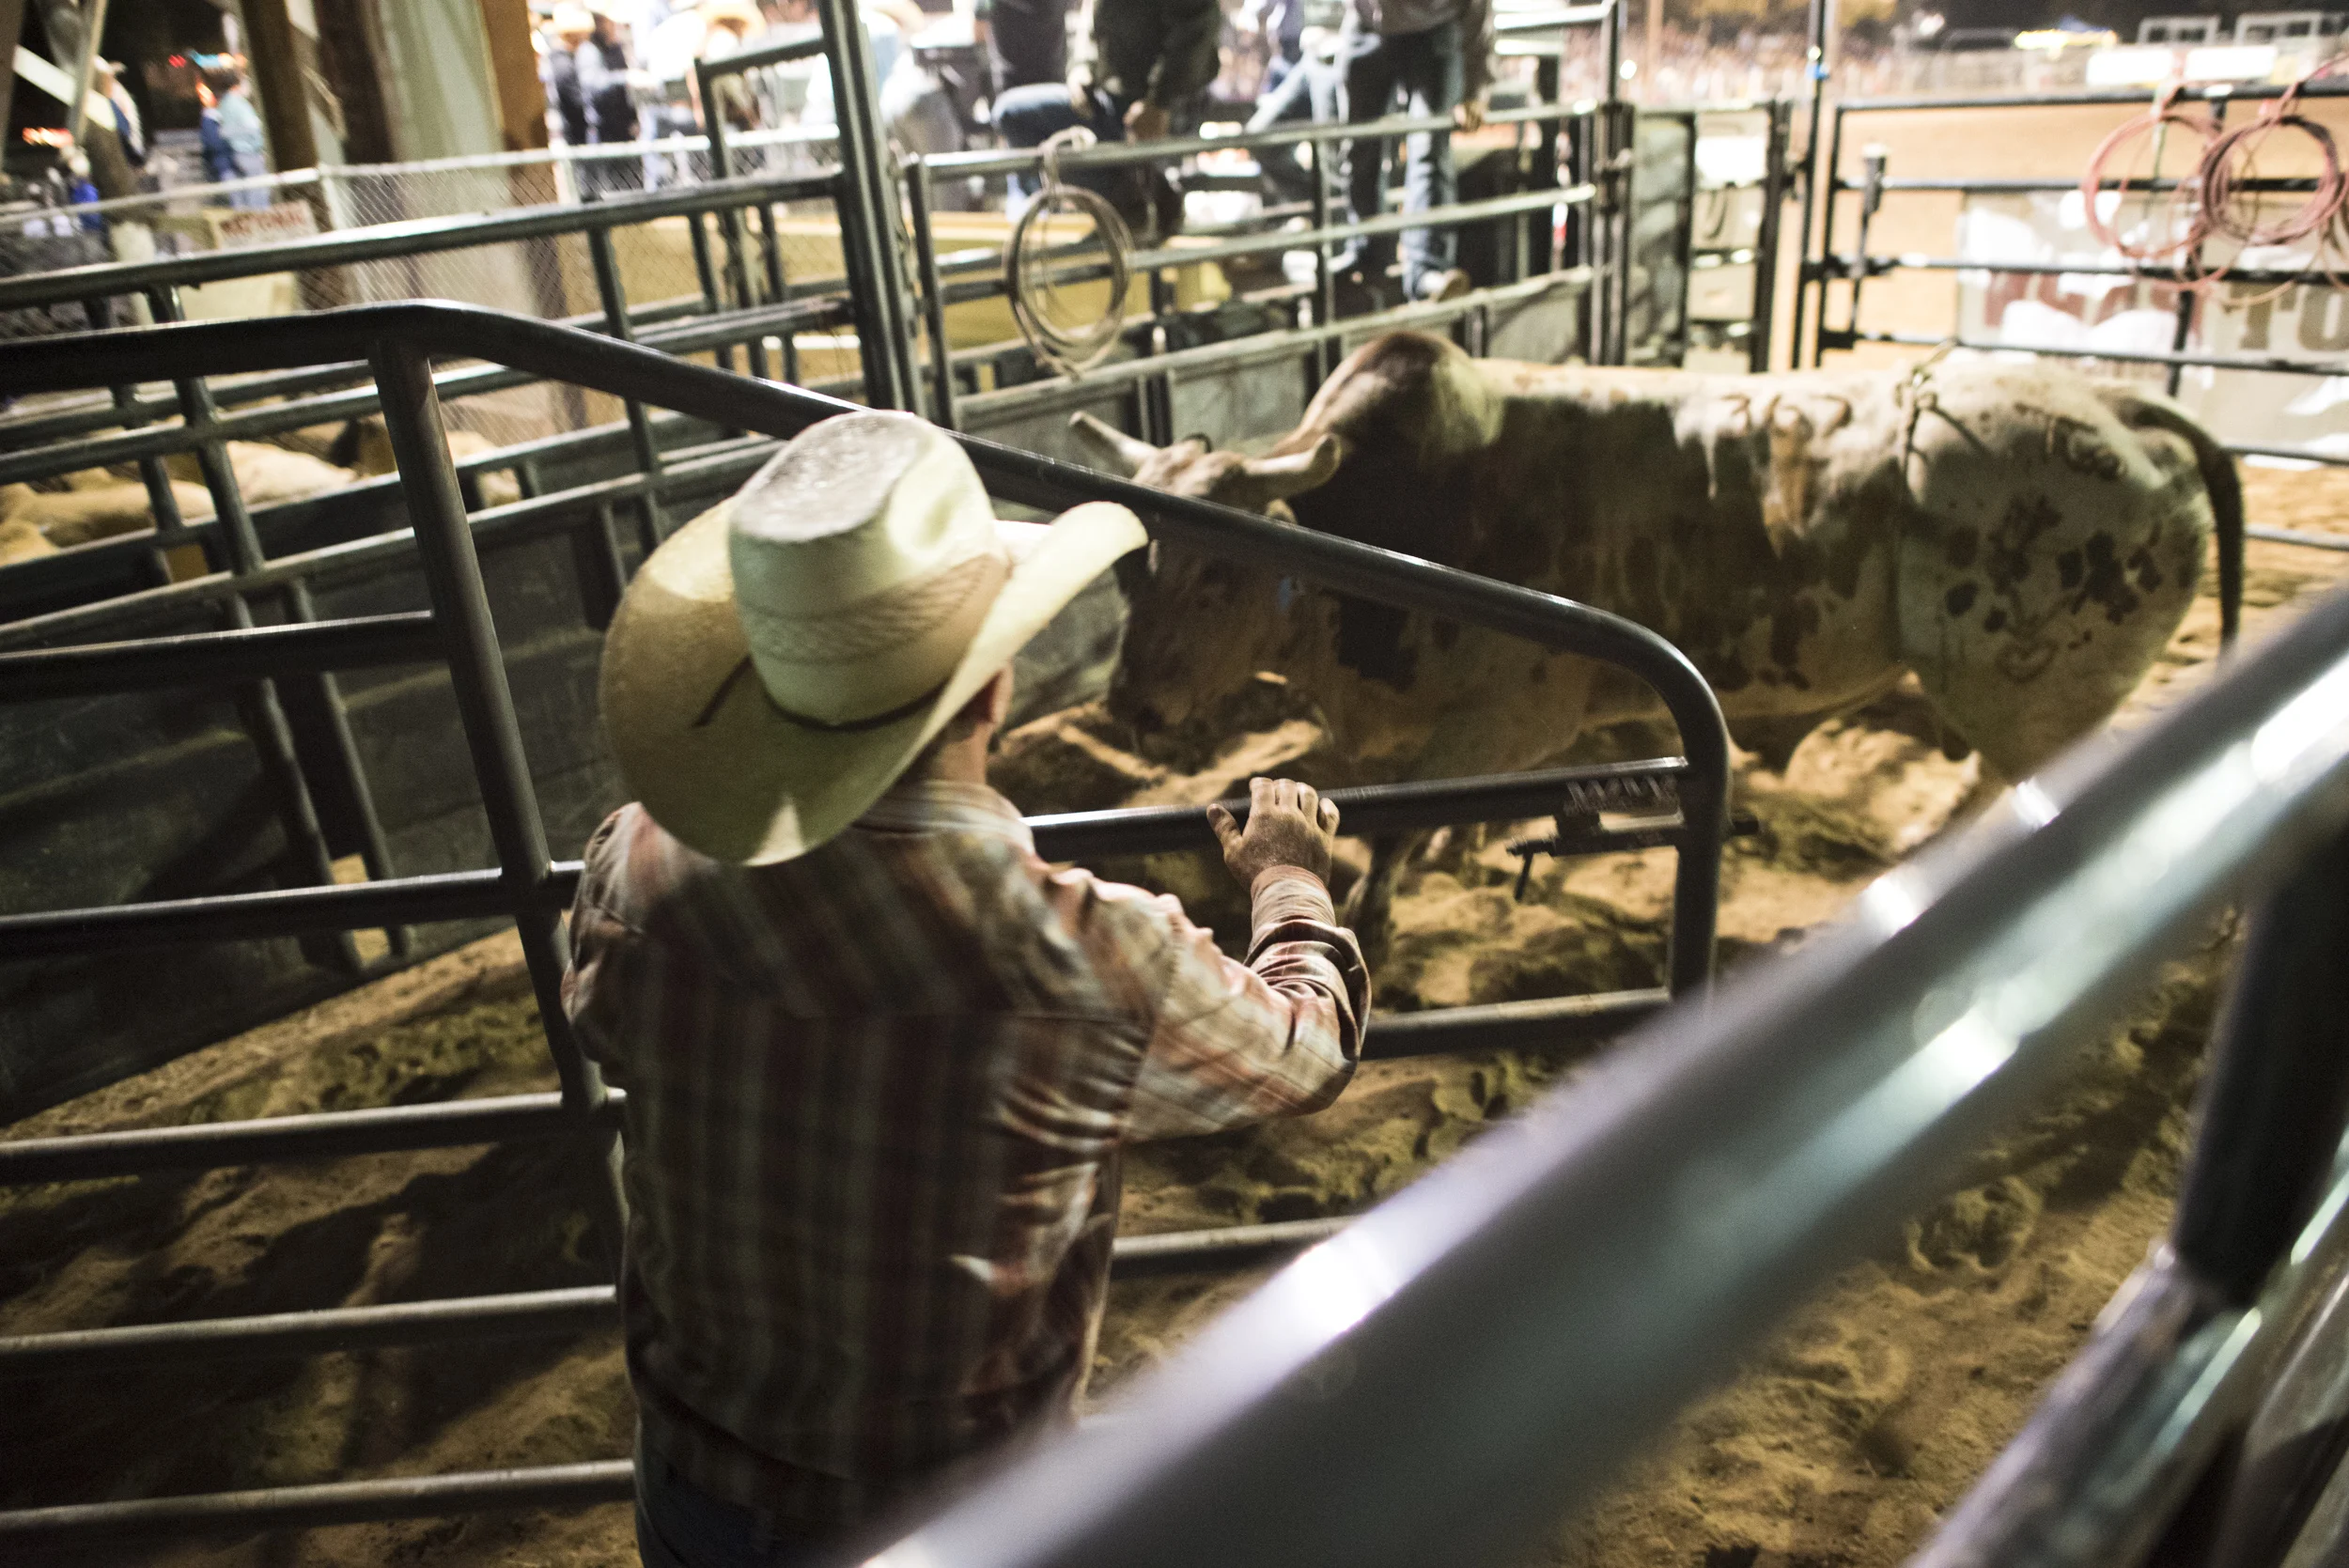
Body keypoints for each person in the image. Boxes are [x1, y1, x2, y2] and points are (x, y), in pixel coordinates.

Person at [566, 410, 1368, 1567]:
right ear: (994, 683)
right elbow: (1307, 1048)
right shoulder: (1089, 951)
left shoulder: (635, 860)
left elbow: (601, 1011)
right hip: (955, 1526)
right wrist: (1289, 882)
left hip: (697, 1494)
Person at [991, 0, 1220, 226]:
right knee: (1012, 115)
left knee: (1014, 115)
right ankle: (1134, 203)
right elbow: (1093, 16)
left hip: (1166, 103)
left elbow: (1196, 27)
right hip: (1114, 99)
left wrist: (1160, 101)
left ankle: (1137, 204)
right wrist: (1081, 68)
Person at [1336, 0, 1490, 304]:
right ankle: (1367, 252)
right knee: (1358, 147)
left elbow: (1477, 8)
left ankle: (1426, 270)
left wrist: (1476, 88)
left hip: (1433, 29)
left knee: (1429, 148)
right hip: (1367, 25)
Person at [577, 8, 647, 191]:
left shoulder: (615, 49)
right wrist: (625, 78)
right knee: (614, 192)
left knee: (634, 188)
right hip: (604, 135)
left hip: (625, 131)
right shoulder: (588, 50)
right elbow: (593, 85)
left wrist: (633, 119)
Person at [545, 8, 594, 146]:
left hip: (577, 129)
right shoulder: (562, 62)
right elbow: (574, 100)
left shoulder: (566, 59)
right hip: (575, 132)